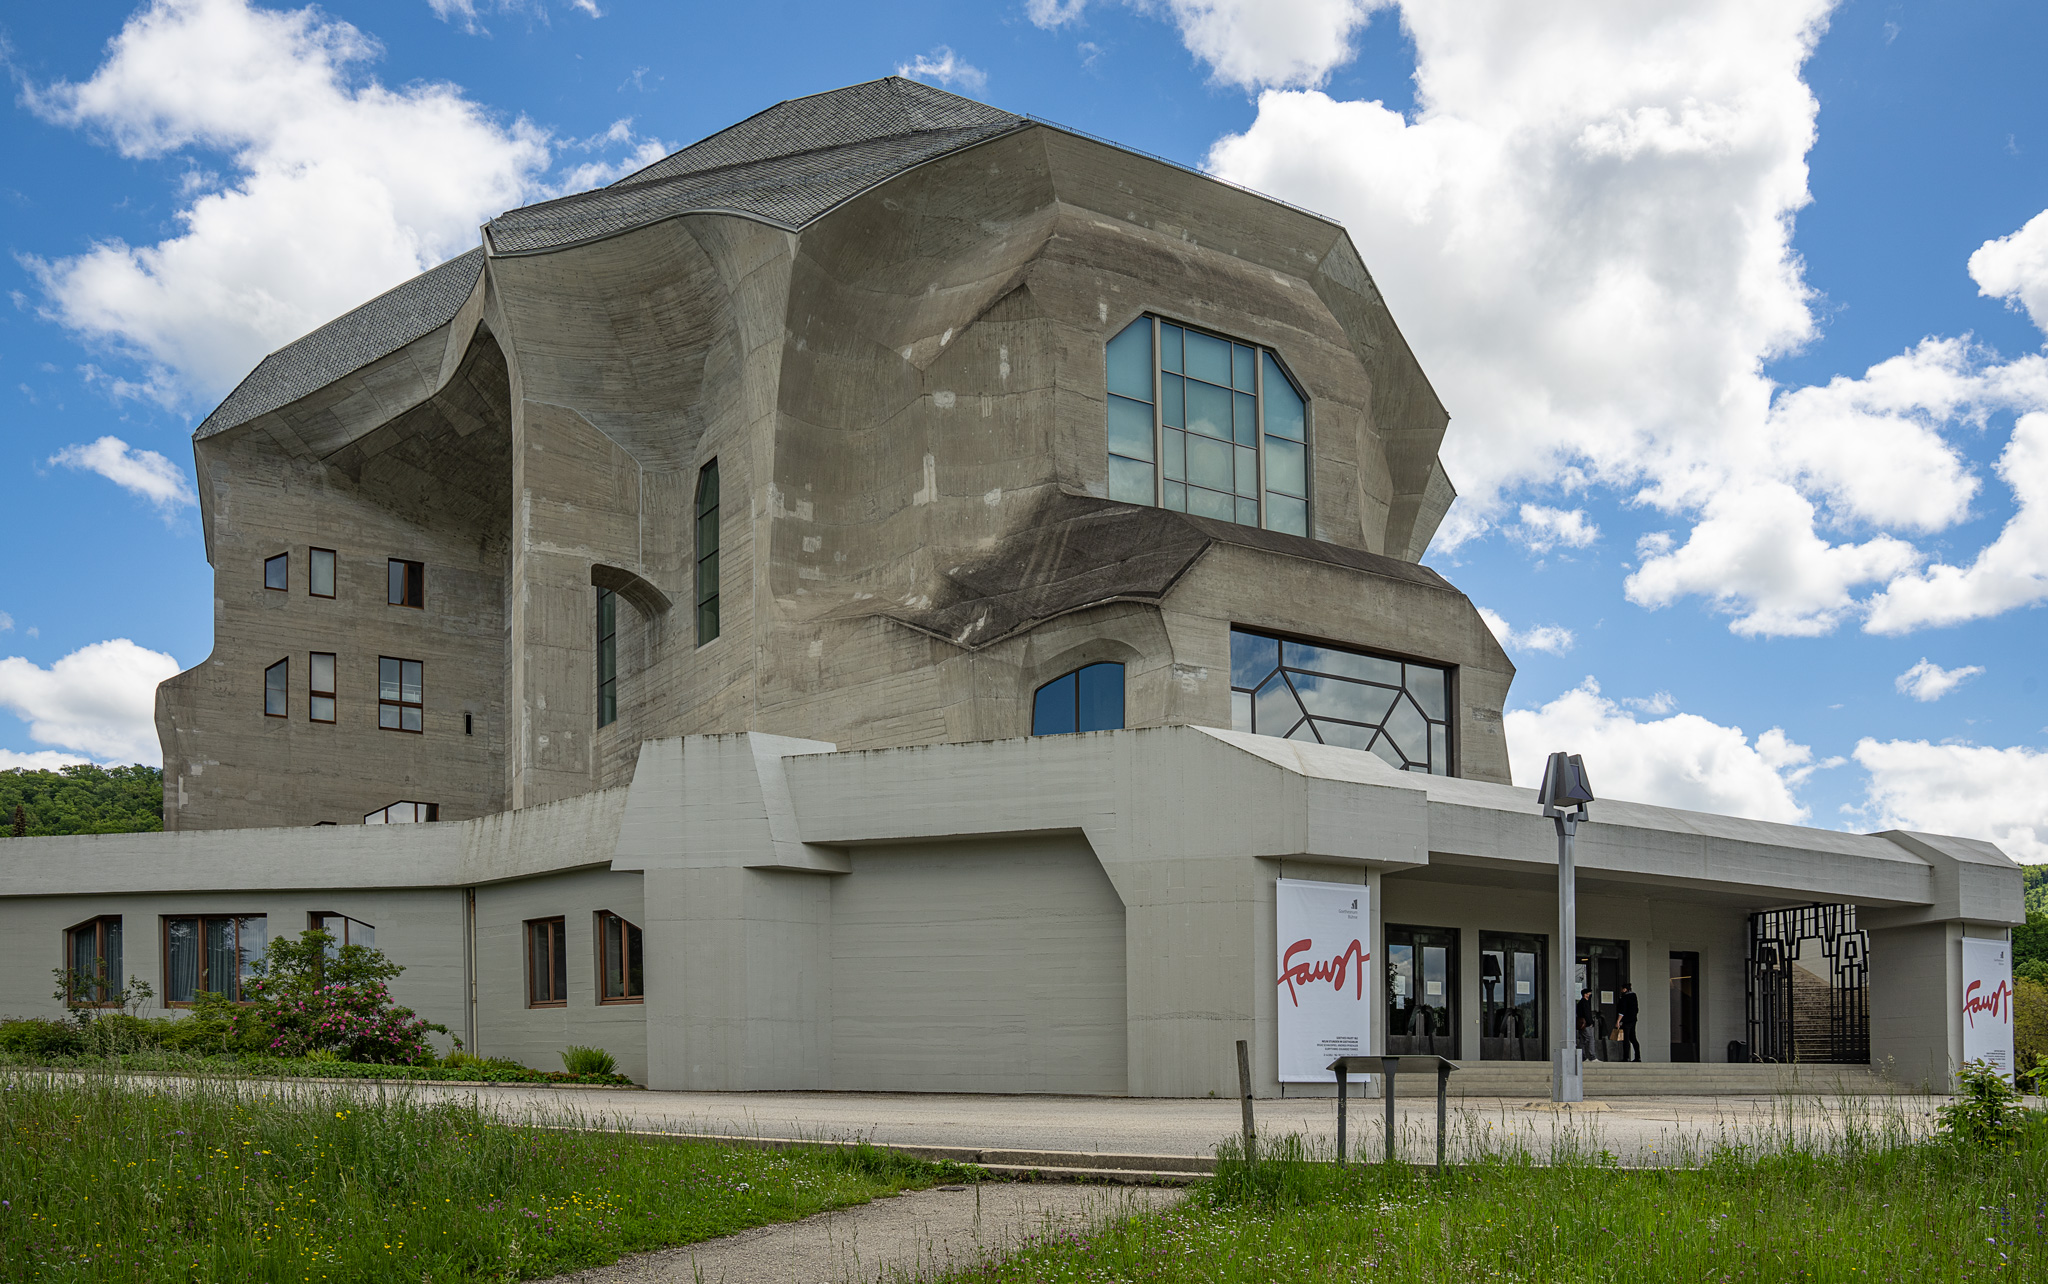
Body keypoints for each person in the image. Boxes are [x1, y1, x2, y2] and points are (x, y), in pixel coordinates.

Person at [1616, 982, 1641, 1062]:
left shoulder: (1624, 998)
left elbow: (1622, 1011)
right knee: (1633, 1038)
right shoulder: (1634, 997)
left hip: (1626, 1021)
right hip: (1633, 1020)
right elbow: (1636, 1009)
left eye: (1622, 989)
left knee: (1626, 1039)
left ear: (1624, 989)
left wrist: (1618, 1021)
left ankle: (1626, 1057)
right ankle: (1638, 1057)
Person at [1576, 987, 1600, 1061]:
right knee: (1591, 1039)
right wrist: (1590, 1023)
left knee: (1582, 1041)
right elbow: (1587, 1014)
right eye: (1589, 994)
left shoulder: (1580, 1003)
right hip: (1586, 1024)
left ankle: (1582, 1057)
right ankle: (1592, 1056)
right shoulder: (1585, 1003)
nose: (1590, 995)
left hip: (1581, 1024)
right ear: (1585, 994)